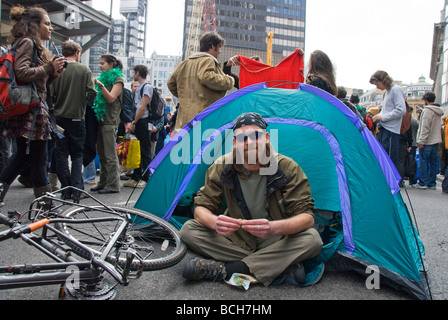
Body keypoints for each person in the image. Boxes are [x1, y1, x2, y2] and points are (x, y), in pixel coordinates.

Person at [180, 112, 323, 287]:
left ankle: (226, 269)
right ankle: (278, 264)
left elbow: (307, 217)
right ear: (235, 143)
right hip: (237, 238)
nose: (249, 142)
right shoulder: (222, 166)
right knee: (188, 229)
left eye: (256, 135)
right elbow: (201, 206)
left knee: (312, 239)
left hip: (276, 239)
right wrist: (214, 222)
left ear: (267, 138)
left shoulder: (287, 167)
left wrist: (273, 228)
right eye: (242, 138)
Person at [0, 5, 66, 206]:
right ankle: (46, 206)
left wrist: (52, 72)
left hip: (32, 108)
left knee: (24, 157)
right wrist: (48, 67)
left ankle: (45, 206)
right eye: (46, 23)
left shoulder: (28, 43)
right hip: (33, 110)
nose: (50, 28)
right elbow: (21, 72)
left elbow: (40, 84)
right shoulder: (28, 42)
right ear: (34, 25)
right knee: (37, 158)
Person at [50, 41, 97, 200]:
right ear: (77, 53)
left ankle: (66, 188)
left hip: (58, 118)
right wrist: (81, 100)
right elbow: (92, 93)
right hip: (77, 117)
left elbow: (49, 93)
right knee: (77, 154)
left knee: (61, 154)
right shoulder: (84, 69)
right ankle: (77, 189)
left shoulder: (57, 68)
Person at [167, 32, 234, 131]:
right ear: (212, 46)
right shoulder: (208, 60)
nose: (220, 51)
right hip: (205, 117)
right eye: (219, 47)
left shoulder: (185, 63)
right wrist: (229, 80)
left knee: (190, 145)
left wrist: (185, 97)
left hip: (185, 121)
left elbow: (170, 82)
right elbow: (206, 76)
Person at [90, 54, 124, 194]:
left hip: (110, 121)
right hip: (101, 119)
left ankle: (113, 185)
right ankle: (103, 182)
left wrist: (101, 86)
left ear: (111, 64)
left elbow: (110, 98)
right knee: (102, 154)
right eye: (99, 63)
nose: (100, 65)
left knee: (110, 155)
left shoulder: (118, 79)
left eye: (102, 63)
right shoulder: (102, 77)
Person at [370, 70, 407, 171]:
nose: (377, 87)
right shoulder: (387, 92)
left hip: (391, 130)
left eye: (377, 84)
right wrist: (377, 116)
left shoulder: (396, 90)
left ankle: (392, 184)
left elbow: (401, 110)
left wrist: (382, 117)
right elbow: (386, 110)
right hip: (385, 128)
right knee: (383, 157)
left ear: (383, 80)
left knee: (389, 159)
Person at [123, 64, 153, 188]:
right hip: (139, 121)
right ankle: (136, 176)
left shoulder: (147, 87)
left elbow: (142, 107)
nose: (133, 74)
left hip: (143, 121)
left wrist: (134, 122)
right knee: (137, 149)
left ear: (137, 73)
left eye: (134, 72)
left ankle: (145, 178)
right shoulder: (140, 87)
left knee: (145, 150)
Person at [413, 92, 443, 190]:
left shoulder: (427, 111)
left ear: (425, 100)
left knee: (424, 163)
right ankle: (432, 183)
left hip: (427, 142)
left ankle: (423, 182)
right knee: (433, 163)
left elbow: (425, 128)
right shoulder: (438, 111)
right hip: (436, 140)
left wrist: (421, 141)